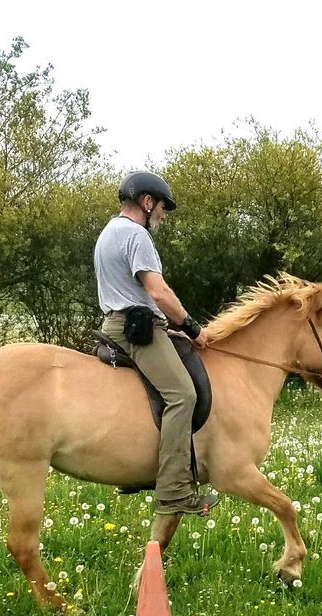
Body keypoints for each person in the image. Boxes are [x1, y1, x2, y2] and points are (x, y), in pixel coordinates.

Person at [94, 171, 218, 516]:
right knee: (183, 395)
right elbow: (158, 292)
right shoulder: (136, 235)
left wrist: (167, 329)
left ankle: (141, 470)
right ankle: (176, 490)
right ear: (147, 203)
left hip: (126, 322)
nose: (163, 215)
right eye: (162, 207)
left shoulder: (108, 232)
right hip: (134, 329)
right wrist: (192, 328)